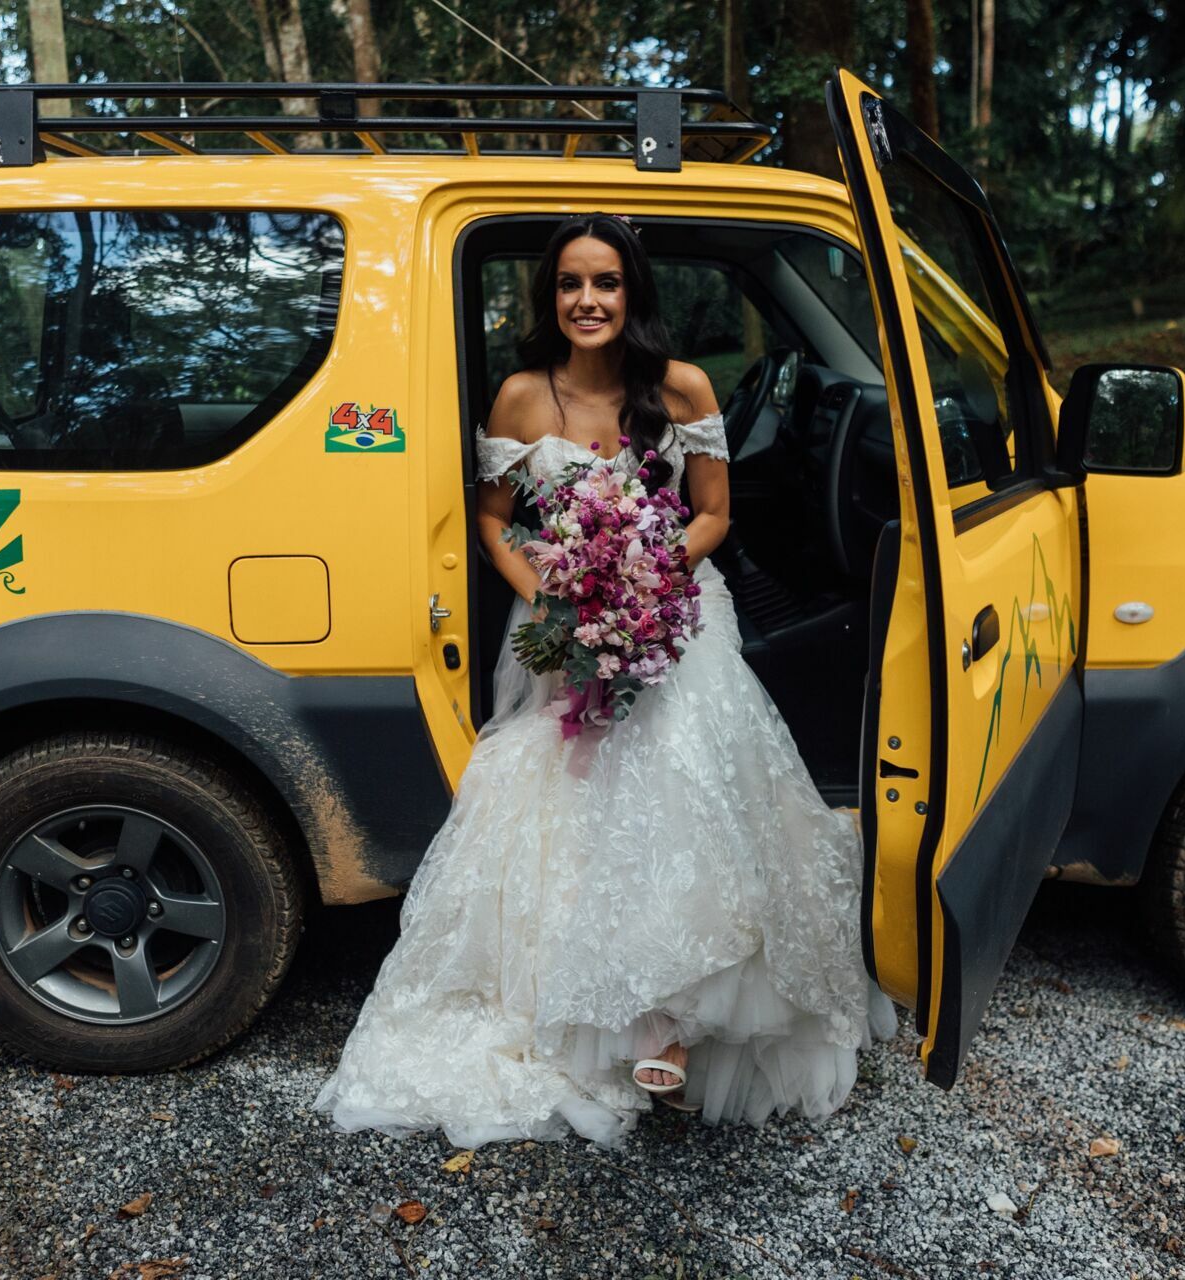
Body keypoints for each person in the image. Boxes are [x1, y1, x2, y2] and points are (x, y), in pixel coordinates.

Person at [313, 213, 897, 1148]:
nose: (589, 301)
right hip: (567, 623)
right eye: (572, 284)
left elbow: (713, 514)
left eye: (608, 283)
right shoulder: (518, 398)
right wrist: (552, 588)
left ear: (634, 295)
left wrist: (648, 568)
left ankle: (671, 1022)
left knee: (686, 779)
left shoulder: (682, 387)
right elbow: (495, 521)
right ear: (552, 299)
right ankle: (600, 1015)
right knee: (571, 801)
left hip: (673, 612)